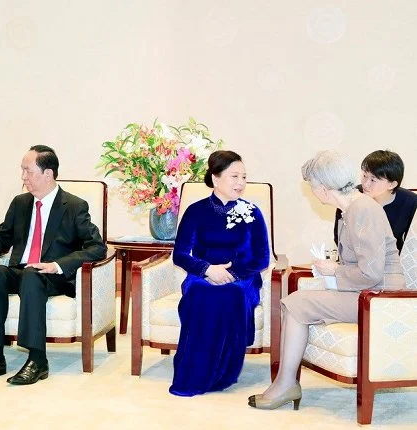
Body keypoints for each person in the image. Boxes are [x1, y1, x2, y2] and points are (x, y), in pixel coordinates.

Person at [248, 150, 405, 410]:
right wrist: (333, 271)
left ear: (322, 187)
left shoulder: (362, 209)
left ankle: (286, 384)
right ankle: (284, 383)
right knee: (294, 303)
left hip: (380, 297)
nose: (312, 192)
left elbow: (372, 272)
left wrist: (334, 271)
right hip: (368, 292)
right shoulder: (352, 208)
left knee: (296, 304)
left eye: (311, 186)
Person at [0, 145, 106, 385]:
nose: (23, 177)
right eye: (22, 171)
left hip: (52, 276)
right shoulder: (20, 203)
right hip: (21, 269)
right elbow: (1, 237)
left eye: (28, 171)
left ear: (48, 174)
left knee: (32, 277)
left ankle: (38, 360)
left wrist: (57, 264)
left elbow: (97, 247)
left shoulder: (75, 206)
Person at [169, 150, 270, 396]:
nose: (241, 183)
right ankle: (194, 373)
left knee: (229, 296)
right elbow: (180, 254)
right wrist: (207, 270)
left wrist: (232, 274)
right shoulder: (196, 211)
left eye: (244, 177)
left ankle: (222, 372)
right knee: (202, 296)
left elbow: (262, 258)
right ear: (215, 179)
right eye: (234, 176)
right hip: (201, 276)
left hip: (242, 278)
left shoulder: (252, 212)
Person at [334, 150, 417, 252]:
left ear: (392, 184)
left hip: (392, 262)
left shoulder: (410, 201)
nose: (366, 184)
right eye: (364, 176)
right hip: (355, 261)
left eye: (373, 180)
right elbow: (339, 238)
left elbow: (412, 243)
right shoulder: (350, 197)